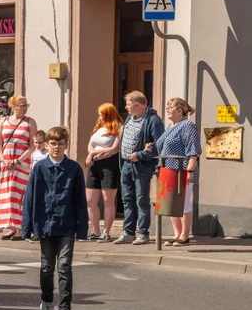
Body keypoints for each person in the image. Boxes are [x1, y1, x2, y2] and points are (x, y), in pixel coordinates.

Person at [21, 127, 88, 310]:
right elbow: (30, 199)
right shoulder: (39, 168)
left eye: (60, 143)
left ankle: (65, 309)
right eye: (52, 143)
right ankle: (47, 301)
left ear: (66, 145)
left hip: (66, 224)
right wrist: (27, 228)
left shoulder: (74, 169)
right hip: (44, 224)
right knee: (46, 267)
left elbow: (80, 201)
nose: (56, 147)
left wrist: (82, 229)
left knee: (65, 266)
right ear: (46, 145)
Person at [113, 91, 164, 245]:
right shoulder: (130, 118)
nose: (126, 107)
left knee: (141, 200)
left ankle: (143, 233)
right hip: (126, 164)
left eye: (128, 104)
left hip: (141, 166)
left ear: (137, 105)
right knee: (127, 199)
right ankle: (128, 232)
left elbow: (159, 145)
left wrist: (140, 154)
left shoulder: (153, 121)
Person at [152, 98, 201, 246]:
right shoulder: (171, 126)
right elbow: (162, 145)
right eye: (167, 106)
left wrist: (190, 171)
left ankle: (184, 236)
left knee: (184, 203)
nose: (167, 109)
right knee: (171, 203)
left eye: (170, 107)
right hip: (167, 170)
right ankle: (177, 234)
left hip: (182, 170)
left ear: (180, 111)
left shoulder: (187, 126)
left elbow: (193, 151)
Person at [0, 94, 37, 240]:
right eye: (22, 105)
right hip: (7, 162)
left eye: (26, 105)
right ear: (13, 107)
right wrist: (2, 159)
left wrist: (19, 160)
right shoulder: (3, 121)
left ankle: (20, 227)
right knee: (8, 194)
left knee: (19, 194)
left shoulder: (29, 122)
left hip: (21, 162)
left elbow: (32, 145)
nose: (25, 108)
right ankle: (11, 226)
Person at [85, 103, 122, 241]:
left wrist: (95, 152)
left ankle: (106, 231)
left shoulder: (117, 127)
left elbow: (114, 148)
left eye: (102, 114)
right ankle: (95, 230)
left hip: (109, 165)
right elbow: (90, 144)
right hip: (95, 164)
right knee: (90, 200)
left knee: (108, 200)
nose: (99, 116)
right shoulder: (99, 128)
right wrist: (92, 154)